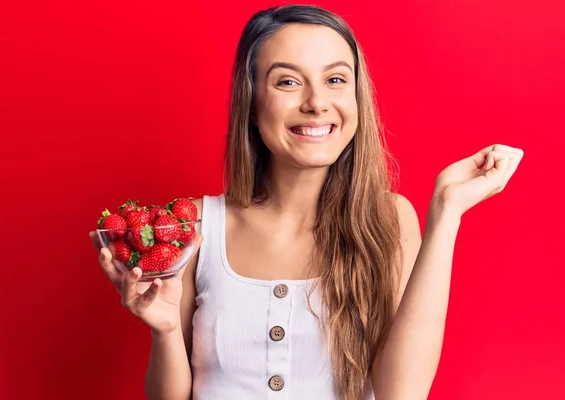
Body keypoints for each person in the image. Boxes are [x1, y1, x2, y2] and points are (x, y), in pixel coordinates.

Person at [90, 4, 523, 400]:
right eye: (288, 82)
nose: (316, 103)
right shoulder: (198, 224)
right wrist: (164, 331)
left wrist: (446, 211)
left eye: (336, 79)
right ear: (252, 100)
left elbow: (402, 393)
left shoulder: (390, 219)